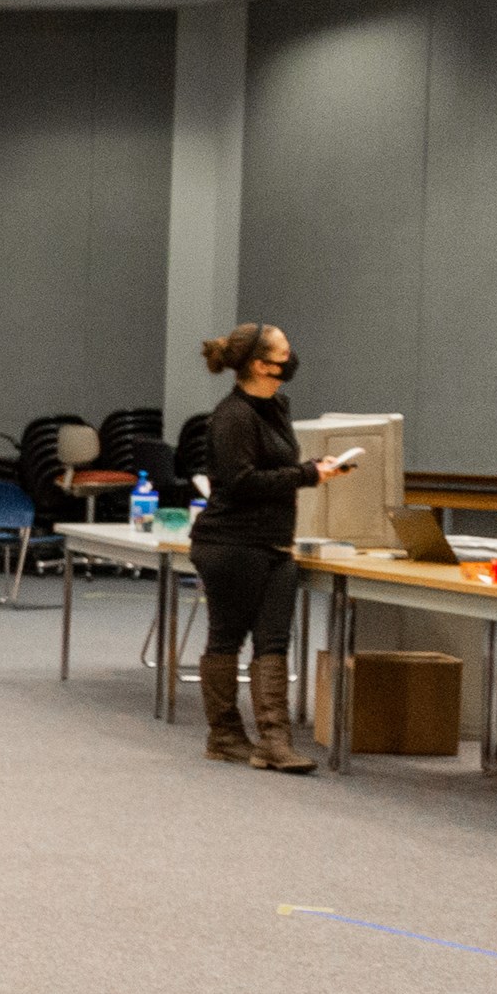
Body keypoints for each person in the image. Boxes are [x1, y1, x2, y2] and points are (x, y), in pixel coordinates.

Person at [187, 322, 350, 772]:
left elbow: (275, 468)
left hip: (275, 543)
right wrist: (308, 475)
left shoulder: (277, 404)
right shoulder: (231, 416)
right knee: (226, 638)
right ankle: (223, 734)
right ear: (260, 365)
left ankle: (274, 742)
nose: (291, 357)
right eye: (283, 351)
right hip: (230, 543)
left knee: (274, 640)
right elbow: (239, 483)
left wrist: (312, 468)